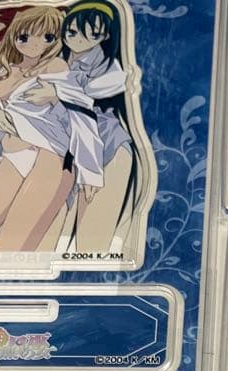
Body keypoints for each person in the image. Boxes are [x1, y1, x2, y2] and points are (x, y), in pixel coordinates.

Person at [0, 5, 104, 254]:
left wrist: (90, 172)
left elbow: (82, 116)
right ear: (14, 36)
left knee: (13, 250)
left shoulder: (55, 67)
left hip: (50, 160)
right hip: (9, 159)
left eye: (47, 37)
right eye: (25, 36)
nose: (35, 44)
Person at [23, 0, 146, 251]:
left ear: (106, 36)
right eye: (72, 32)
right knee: (60, 228)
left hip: (105, 144)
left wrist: (57, 95)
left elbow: (87, 101)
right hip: (66, 145)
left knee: (91, 235)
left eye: (92, 34)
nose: (78, 40)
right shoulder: (57, 57)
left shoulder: (110, 69)